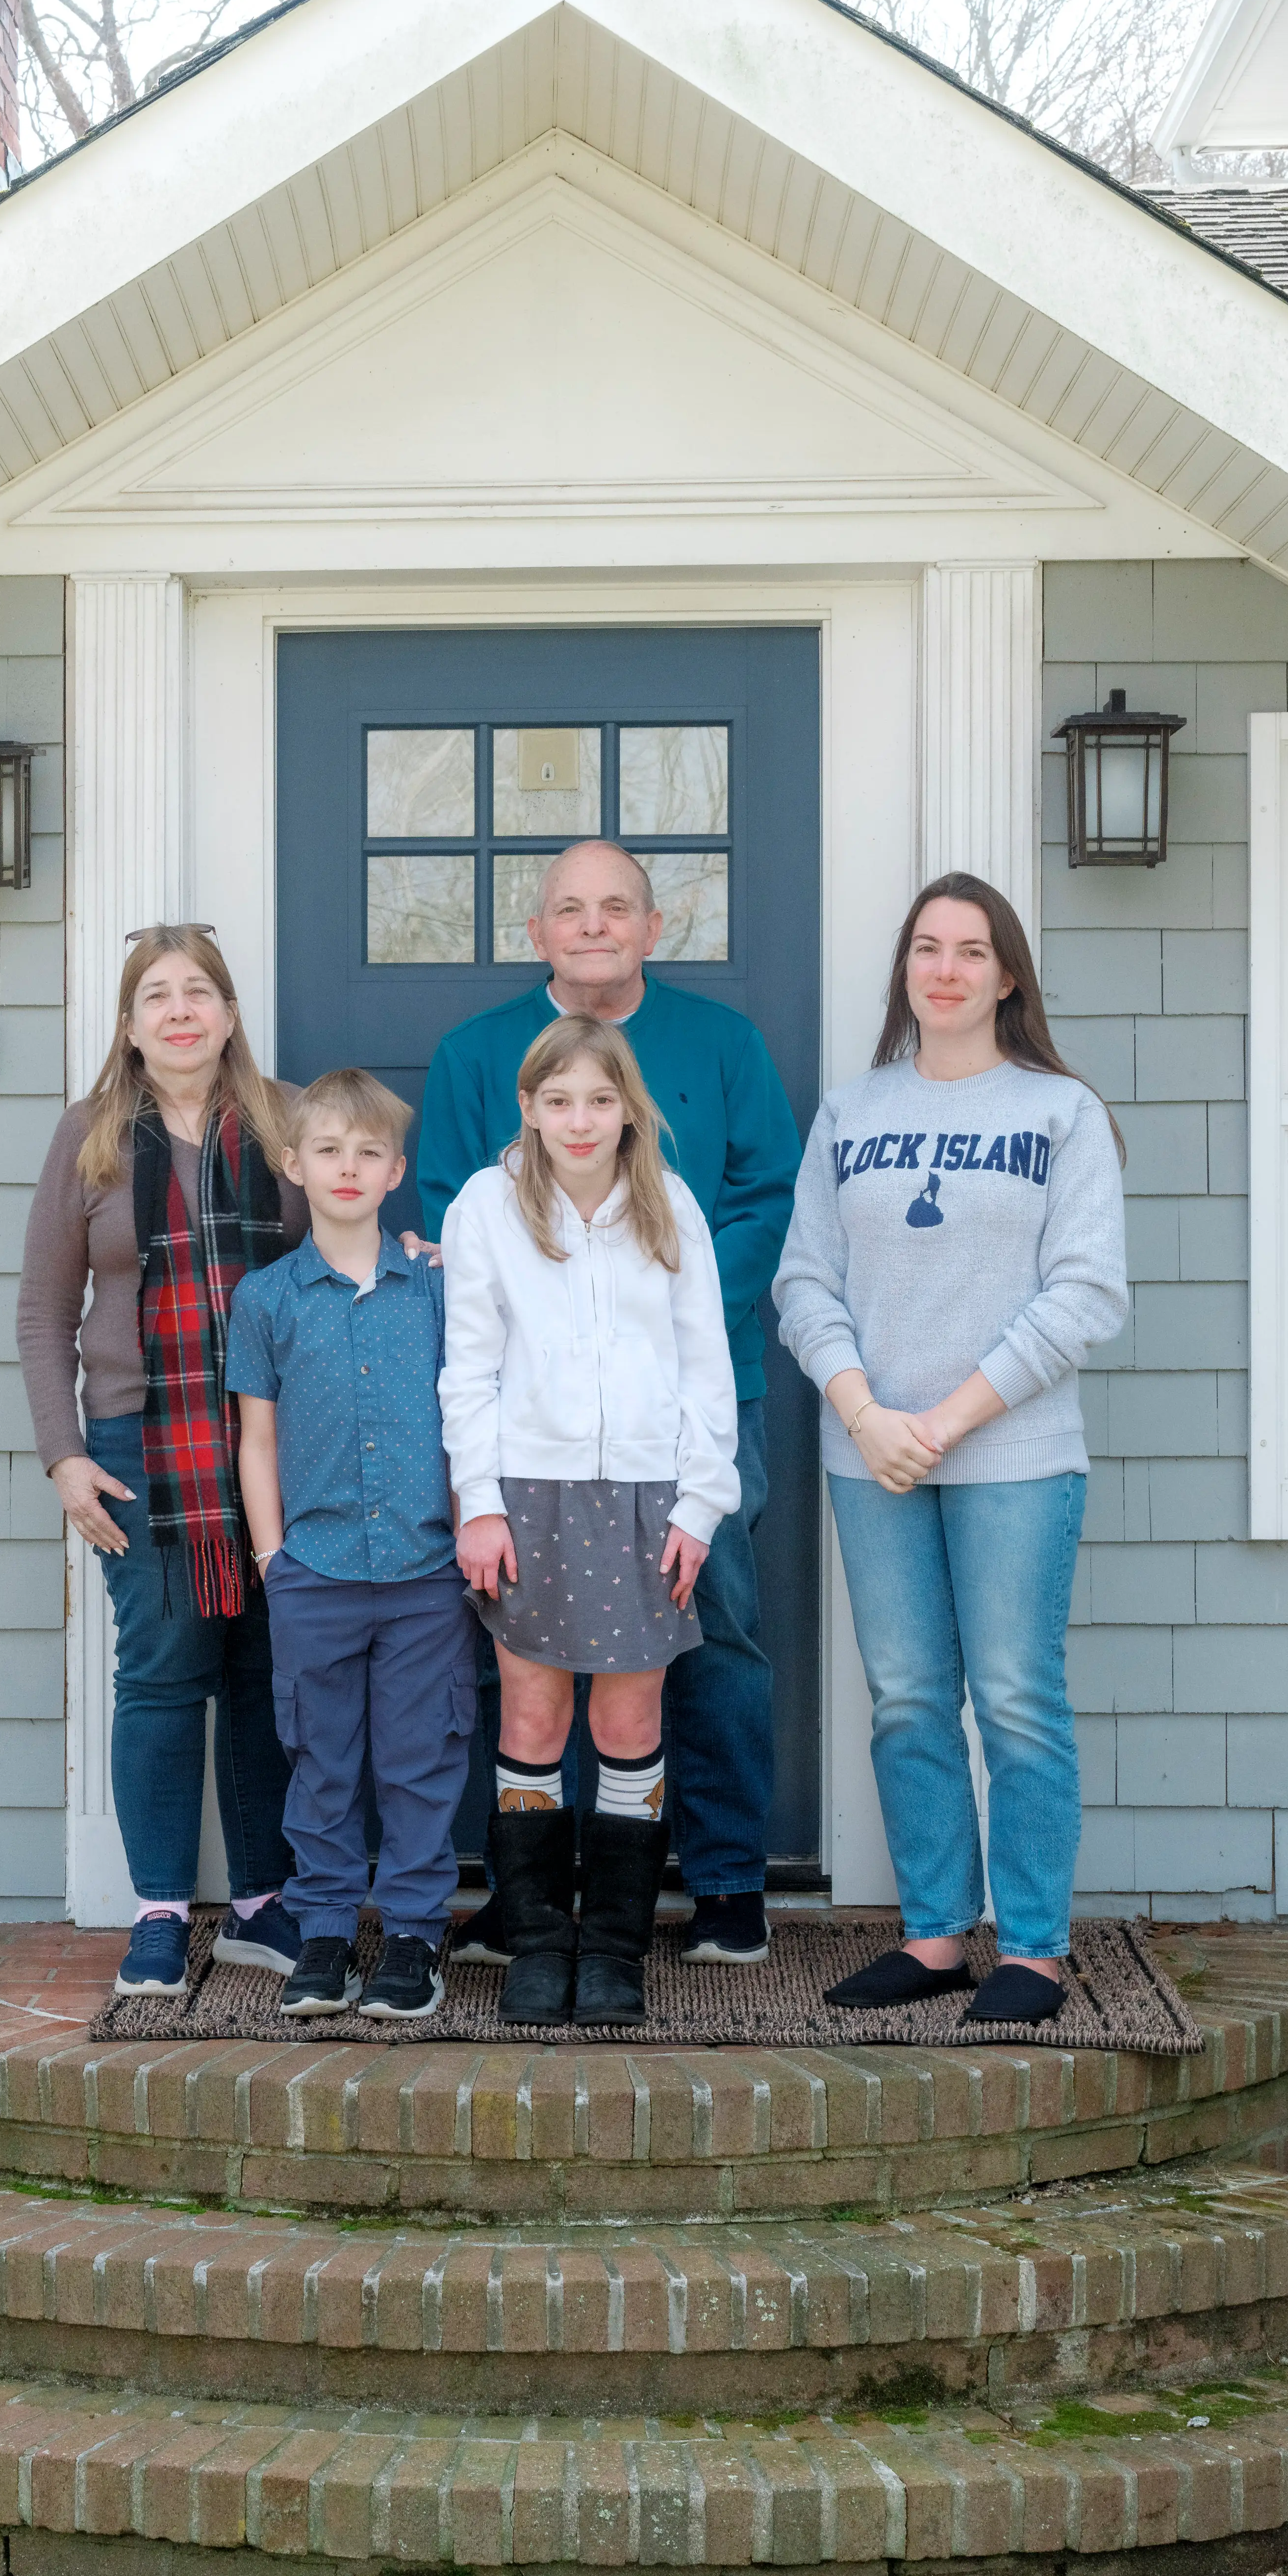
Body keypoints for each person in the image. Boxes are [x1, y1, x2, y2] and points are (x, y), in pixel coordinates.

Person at [418, 840, 800, 1964]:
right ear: (537, 931)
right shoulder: (474, 1053)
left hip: (695, 1395)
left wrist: (659, 1300)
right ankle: (533, 1899)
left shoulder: (724, 1046)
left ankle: (726, 1879)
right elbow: (448, 1218)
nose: (593, 926)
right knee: (529, 1640)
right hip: (533, 1421)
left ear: (652, 925)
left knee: (712, 1626)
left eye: (616, 907)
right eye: (569, 910)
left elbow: (765, 1199)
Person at [771, 872, 1128, 2028]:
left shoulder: (1058, 1114)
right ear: (906, 971)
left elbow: (1084, 1296)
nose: (946, 968)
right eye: (926, 947)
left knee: (1018, 1698)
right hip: (870, 1451)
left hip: (1011, 1453)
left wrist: (950, 1416)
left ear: (1007, 974)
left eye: (971, 950)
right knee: (908, 1698)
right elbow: (802, 1280)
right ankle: (933, 1936)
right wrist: (865, 1409)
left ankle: (1030, 1950)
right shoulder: (851, 1111)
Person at [17, 925, 302, 1998]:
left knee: (269, 1672)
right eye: (156, 996)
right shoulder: (88, 1138)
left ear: (228, 1013)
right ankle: (159, 1914)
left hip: (279, 1439)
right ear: (131, 1028)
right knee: (164, 1673)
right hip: (143, 1443)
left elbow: (344, 1262)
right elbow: (45, 1312)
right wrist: (64, 1457)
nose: (180, 1011)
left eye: (199, 992)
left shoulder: (288, 1121)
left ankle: (268, 1903)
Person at [439, 1015, 741, 2022]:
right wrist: (477, 1505)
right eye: (557, 1100)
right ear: (526, 1107)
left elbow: (707, 1366)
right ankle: (534, 1938)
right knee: (532, 1714)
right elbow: (469, 1366)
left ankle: (612, 1944)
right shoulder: (489, 1205)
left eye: (599, 1101)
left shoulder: (668, 1206)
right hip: (528, 1490)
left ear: (628, 1110)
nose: (579, 1120)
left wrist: (699, 1503)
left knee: (627, 1717)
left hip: (649, 1494)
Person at [227, 1070, 474, 2024]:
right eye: (327, 1149)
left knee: (419, 1756)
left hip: (424, 1573)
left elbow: (471, 1416)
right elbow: (255, 1437)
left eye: (367, 1152)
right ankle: (325, 1927)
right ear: (294, 1164)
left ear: (395, 1171)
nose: (347, 1166)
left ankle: (412, 1933)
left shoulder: (436, 1290)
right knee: (322, 1756)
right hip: (314, 1573)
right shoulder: (266, 1299)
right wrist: (270, 1561)